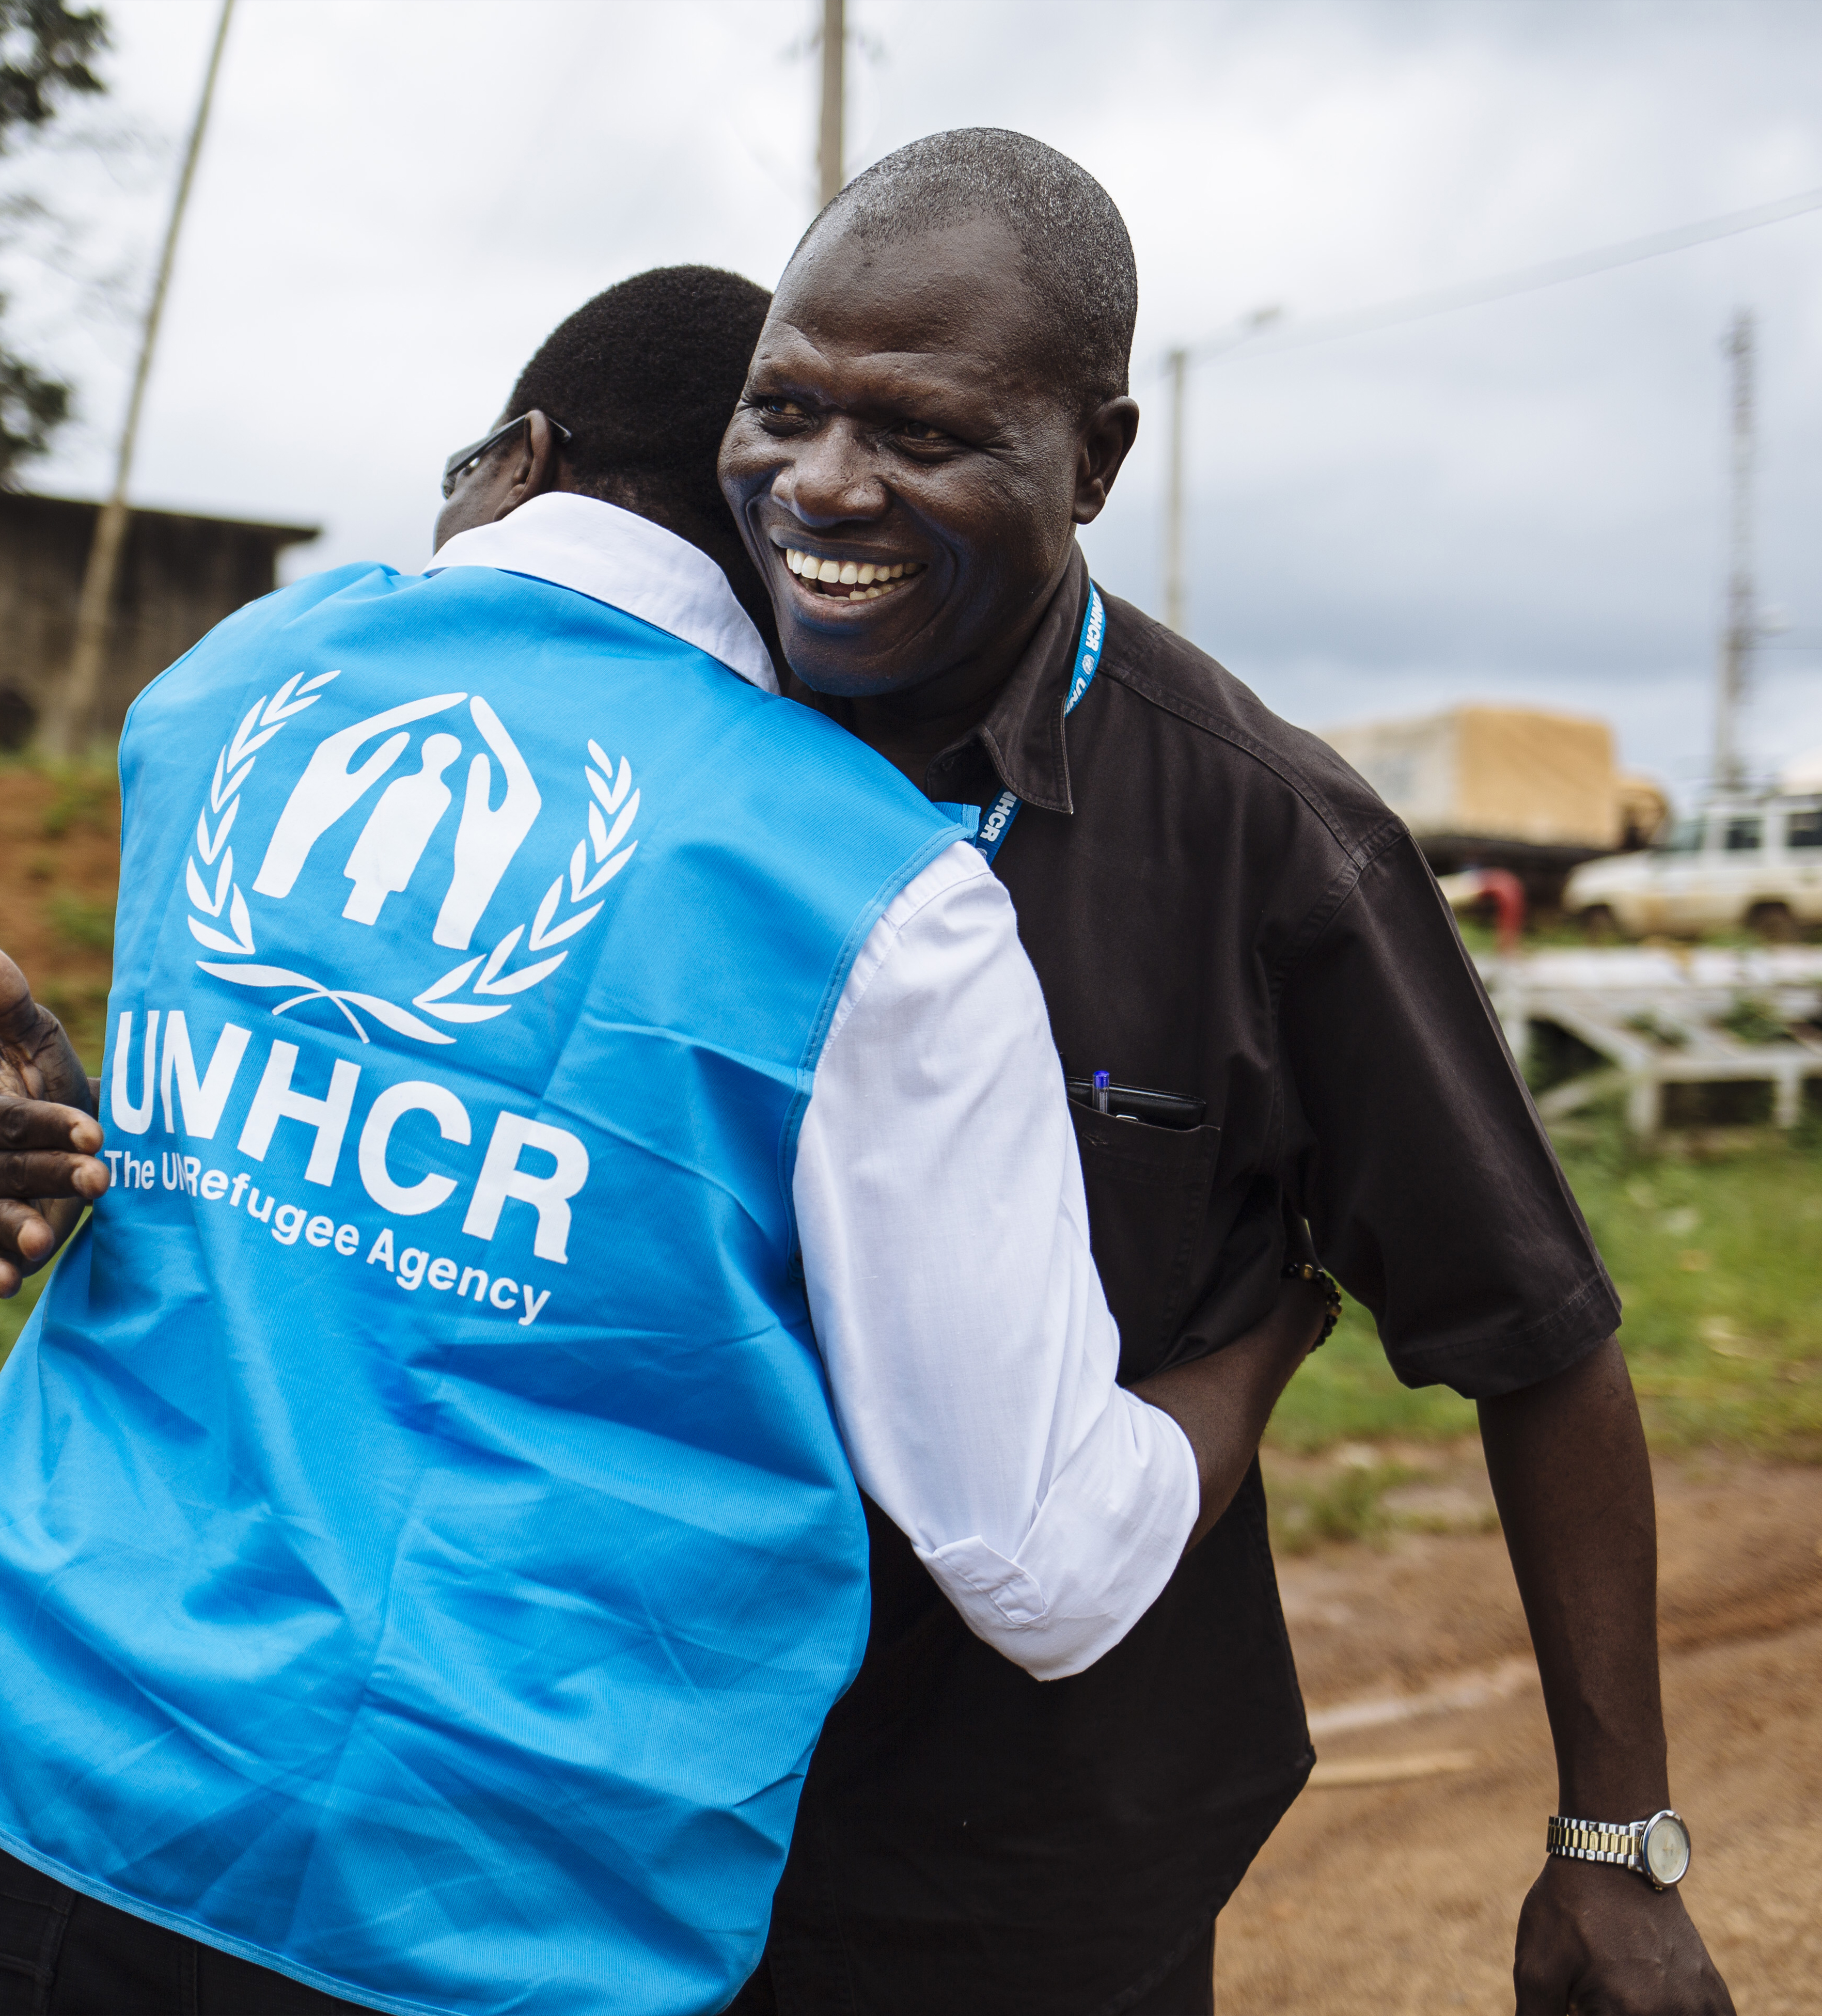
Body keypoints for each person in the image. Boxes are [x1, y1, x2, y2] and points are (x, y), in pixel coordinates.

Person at [0, 266, 1326, 2016]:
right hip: (484, 1903)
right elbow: (1041, 1563)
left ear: (516, 456)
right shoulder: (875, 890)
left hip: (46, 1766)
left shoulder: (229, 693)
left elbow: (293, 1154)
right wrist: (1271, 1334)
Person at [705, 130, 1734, 2016]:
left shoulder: (1276, 851)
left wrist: (1617, 1843)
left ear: (1092, 462)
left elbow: (1539, 1340)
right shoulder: (660, 733)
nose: (819, 487)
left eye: (922, 434)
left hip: (1028, 1878)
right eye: (782, 406)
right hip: (624, 1813)